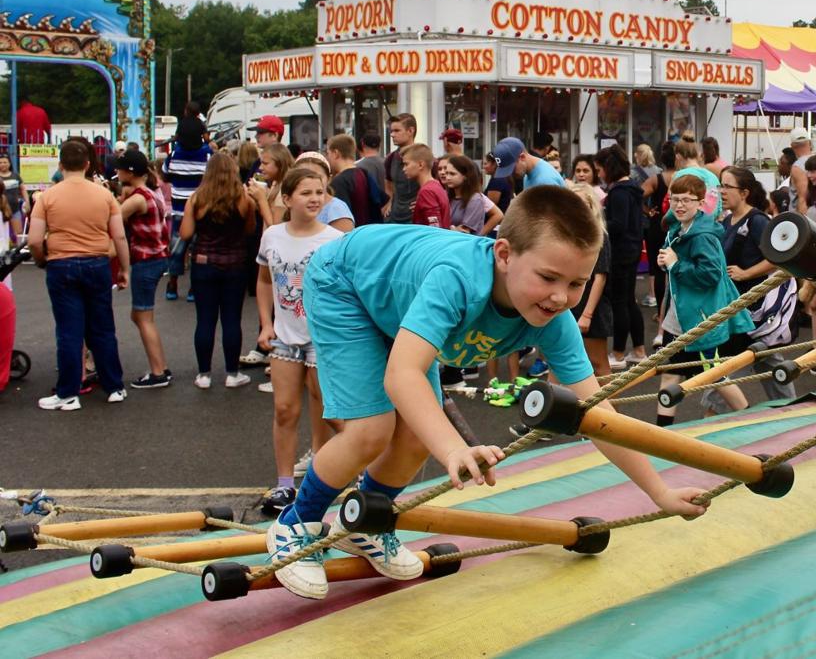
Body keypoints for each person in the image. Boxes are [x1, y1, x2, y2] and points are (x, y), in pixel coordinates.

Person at [268, 185, 707, 599]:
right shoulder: (457, 280)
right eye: (549, 277)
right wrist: (455, 449)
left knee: (419, 433)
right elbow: (403, 375)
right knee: (372, 429)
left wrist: (659, 492)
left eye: (576, 284)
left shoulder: (553, 316)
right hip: (345, 282)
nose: (560, 297)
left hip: (394, 299)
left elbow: (598, 415)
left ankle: (368, 520)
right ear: (503, 254)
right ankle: (295, 523)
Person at [255, 166, 344, 515]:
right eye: (306, 192)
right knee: (284, 410)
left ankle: (333, 476)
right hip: (284, 338)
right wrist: (265, 324)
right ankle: (284, 485)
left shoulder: (334, 241)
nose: (315, 198)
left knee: (329, 411)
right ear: (287, 198)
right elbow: (263, 281)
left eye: (320, 192)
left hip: (323, 340)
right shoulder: (272, 236)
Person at [29, 139, 130, 410]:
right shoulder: (104, 195)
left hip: (61, 264)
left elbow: (35, 240)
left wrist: (42, 261)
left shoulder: (48, 197)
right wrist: (124, 268)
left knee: (69, 331)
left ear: (60, 165)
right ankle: (114, 386)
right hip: (96, 263)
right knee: (103, 328)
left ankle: (68, 392)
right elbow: (119, 236)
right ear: (87, 165)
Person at [655, 173, 753, 424]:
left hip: (698, 319)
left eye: (687, 200)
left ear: (700, 203)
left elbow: (709, 274)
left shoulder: (702, 235)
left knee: (713, 374)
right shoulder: (680, 228)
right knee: (671, 373)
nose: (679, 205)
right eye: (675, 199)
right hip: (681, 316)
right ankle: (661, 434)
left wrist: (676, 265)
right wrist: (667, 264)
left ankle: (751, 415)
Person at [718, 166, 798, 402]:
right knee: (770, 370)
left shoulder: (757, 221)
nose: (722, 191)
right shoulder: (726, 222)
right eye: (720, 185)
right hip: (738, 311)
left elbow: (777, 258)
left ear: (744, 192)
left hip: (757, 312)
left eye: (727, 186)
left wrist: (746, 273)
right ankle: (791, 411)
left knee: (729, 375)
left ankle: (791, 412)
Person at [183, 152, 257, 388]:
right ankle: (232, 373)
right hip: (235, 263)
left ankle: (204, 374)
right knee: (231, 319)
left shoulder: (197, 199)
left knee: (205, 319)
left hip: (204, 263)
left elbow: (185, 234)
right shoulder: (245, 200)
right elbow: (249, 230)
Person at [115, 150, 173, 389]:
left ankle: (158, 371)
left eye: (119, 169)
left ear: (129, 172)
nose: (116, 173)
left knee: (143, 316)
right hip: (157, 258)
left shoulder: (138, 198)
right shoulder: (150, 192)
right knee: (140, 316)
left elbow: (113, 219)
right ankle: (161, 367)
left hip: (146, 260)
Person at [598, 145, 647, 364]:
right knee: (629, 301)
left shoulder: (618, 192)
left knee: (620, 302)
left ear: (609, 168)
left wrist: (596, 223)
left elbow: (618, 224)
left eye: (599, 169)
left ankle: (618, 353)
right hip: (633, 249)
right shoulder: (633, 187)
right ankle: (639, 351)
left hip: (621, 252)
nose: (599, 173)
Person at [163, 107, 212, 301]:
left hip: (178, 209)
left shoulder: (174, 156)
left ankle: (173, 284)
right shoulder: (207, 156)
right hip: (201, 210)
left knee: (177, 248)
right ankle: (193, 288)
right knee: (197, 249)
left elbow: (166, 174)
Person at [567, 182, 614, 377]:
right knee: (562, 361)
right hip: (568, 305)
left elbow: (600, 277)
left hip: (590, 307)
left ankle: (610, 407)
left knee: (598, 363)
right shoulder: (566, 234)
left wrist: (587, 315)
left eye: (581, 204)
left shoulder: (598, 234)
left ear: (591, 206)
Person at [640, 141, 676, 318]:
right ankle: (672, 312)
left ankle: (661, 314)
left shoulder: (656, 179)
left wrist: (648, 211)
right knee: (676, 269)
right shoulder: (683, 177)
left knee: (658, 270)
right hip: (678, 227)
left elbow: (636, 196)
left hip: (657, 228)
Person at [327, 134, 386, 228]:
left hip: (354, 235)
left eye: (328, 153)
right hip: (371, 231)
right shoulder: (364, 173)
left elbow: (341, 215)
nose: (328, 158)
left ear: (335, 153)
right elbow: (382, 200)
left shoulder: (339, 182)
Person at [440, 155, 502, 235]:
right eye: (447, 173)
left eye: (452, 174)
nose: (447, 177)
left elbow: (465, 231)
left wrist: (481, 234)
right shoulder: (447, 196)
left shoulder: (475, 199)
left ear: (465, 176)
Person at [295, 153, 355, 233]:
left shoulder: (336, 209)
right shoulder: (294, 204)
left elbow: (343, 243)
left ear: (329, 179)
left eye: (317, 177)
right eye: (303, 176)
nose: (310, 181)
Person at [399, 143, 450, 228]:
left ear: (420, 165)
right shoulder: (436, 185)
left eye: (406, 164)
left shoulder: (427, 191)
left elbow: (435, 228)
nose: (404, 169)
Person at [383, 114, 420, 223]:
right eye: (391, 131)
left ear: (410, 131)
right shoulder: (390, 158)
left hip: (415, 217)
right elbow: (388, 184)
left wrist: (424, 201)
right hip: (395, 215)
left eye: (397, 131)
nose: (392, 135)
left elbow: (434, 183)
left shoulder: (423, 156)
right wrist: (390, 202)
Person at [491, 136, 566, 190]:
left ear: (522, 157)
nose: (510, 174)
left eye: (512, 168)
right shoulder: (529, 173)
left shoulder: (545, 181)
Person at [0, 153, 26, 243]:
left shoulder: (16, 176)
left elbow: (23, 189)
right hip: (2, 210)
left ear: (9, 163)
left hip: (15, 209)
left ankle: (18, 252)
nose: (3, 164)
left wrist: (27, 202)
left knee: (18, 233)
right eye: (1, 162)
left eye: (5, 162)